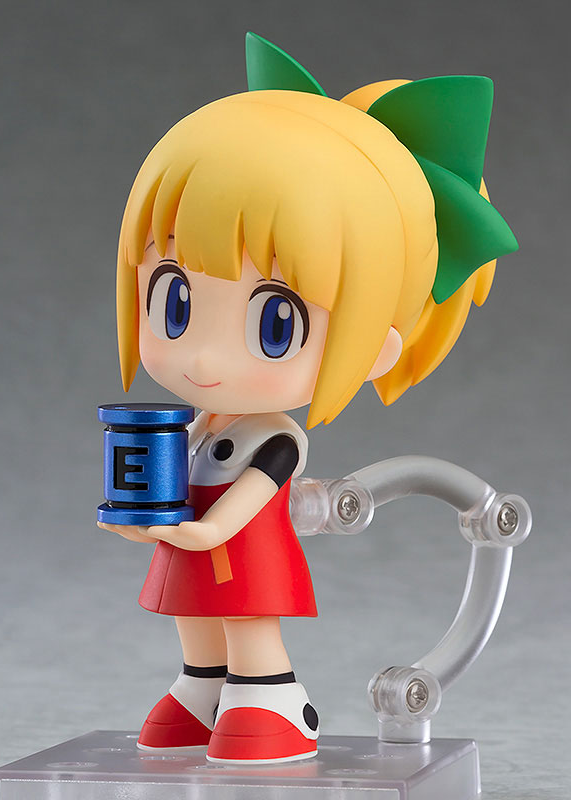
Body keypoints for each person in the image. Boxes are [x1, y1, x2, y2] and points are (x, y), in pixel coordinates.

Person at [97, 33, 517, 764]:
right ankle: (202, 688)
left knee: (246, 623)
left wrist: (197, 530)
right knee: (193, 622)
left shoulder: (276, 439)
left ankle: (271, 696)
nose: (203, 357)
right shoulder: (195, 424)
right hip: (191, 541)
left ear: (375, 347)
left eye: (273, 323)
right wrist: (146, 520)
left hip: (239, 548)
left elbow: (243, 503)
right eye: (175, 300)